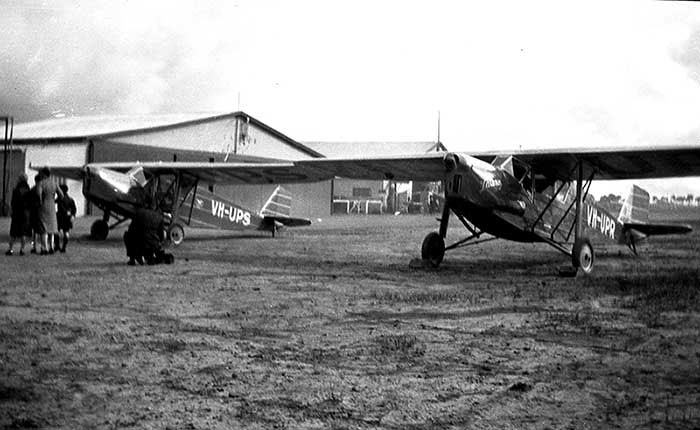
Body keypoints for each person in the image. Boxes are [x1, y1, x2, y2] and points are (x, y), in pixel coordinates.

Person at [36, 167, 63, 255]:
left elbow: (38, 194)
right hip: (52, 207)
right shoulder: (54, 183)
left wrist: (40, 202)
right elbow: (61, 195)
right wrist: (55, 201)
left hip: (43, 206)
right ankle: (51, 246)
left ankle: (45, 248)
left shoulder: (41, 183)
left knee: (43, 229)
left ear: (43, 174)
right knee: (51, 228)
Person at [5, 173, 31, 256]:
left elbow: (13, 203)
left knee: (13, 232)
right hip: (25, 213)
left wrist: (12, 210)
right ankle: (22, 250)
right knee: (23, 233)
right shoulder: (28, 190)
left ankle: (11, 249)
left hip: (17, 213)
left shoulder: (15, 190)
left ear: (19, 179)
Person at [56, 184, 76, 253]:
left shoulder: (59, 199)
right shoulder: (70, 199)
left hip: (60, 217)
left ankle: (57, 246)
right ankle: (64, 247)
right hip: (68, 217)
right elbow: (74, 209)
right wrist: (72, 215)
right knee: (66, 232)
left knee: (56, 232)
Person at [28, 173, 43, 254]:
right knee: (41, 230)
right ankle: (42, 246)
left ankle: (34, 246)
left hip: (33, 211)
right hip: (40, 211)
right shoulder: (42, 189)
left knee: (34, 231)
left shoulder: (32, 189)